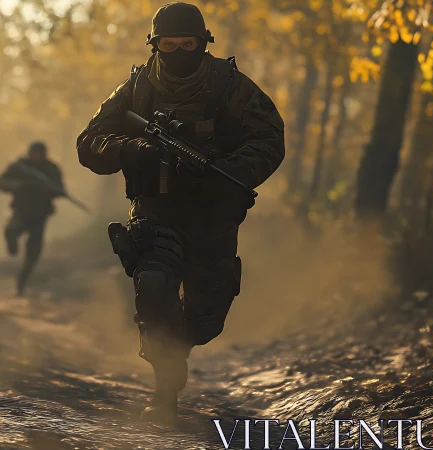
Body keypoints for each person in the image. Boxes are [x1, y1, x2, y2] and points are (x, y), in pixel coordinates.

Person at [76, 2, 285, 426]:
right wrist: (131, 149)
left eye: (186, 44)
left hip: (213, 214)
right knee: (154, 286)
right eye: (167, 45)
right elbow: (89, 142)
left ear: (203, 43)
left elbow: (269, 138)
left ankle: (179, 353)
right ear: (154, 45)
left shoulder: (229, 86)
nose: (176, 53)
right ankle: (165, 390)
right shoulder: (136, 88)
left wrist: (229, 172)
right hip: (156, 209)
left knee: (204, 320)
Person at [0, 141, 65, 296]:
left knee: (33, 254)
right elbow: (1, 182)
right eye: (34, 153)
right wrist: (19, 186)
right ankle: (12, 246)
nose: (36, 157)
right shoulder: (20, 167)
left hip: (39, 217)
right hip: (21, 211)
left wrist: (52, 190)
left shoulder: (51, 169)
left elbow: (59, 189)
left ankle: (21, 285)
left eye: (39, 154)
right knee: (10, 231)